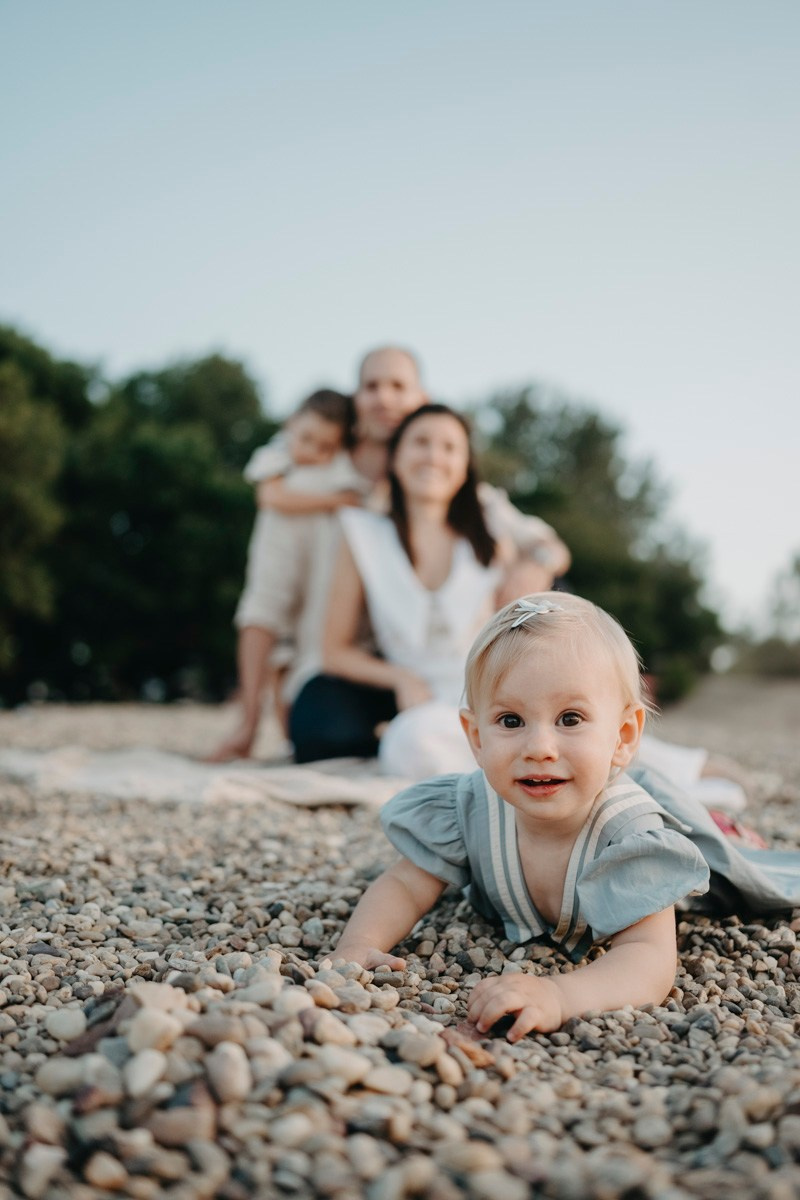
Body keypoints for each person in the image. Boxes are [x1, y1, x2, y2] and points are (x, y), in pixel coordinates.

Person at [332, 593, 800, 1040]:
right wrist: (357, 944)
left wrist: (560, 994)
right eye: (511, 721)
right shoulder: (468, 808)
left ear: (623, 734)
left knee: (725, 855)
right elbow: (405, 884)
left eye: (570, 719)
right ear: (475, 737)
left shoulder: (631, 837)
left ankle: (723, 826)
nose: (539, 749)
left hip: (678, 848)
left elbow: (648, 957)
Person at [319, 404, 515, 776]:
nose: (433, 456)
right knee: (412, 743)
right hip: (422, 707)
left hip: (491, 694)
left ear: (465, 467)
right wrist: (400, 678)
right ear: (395, 458)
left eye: (449, 447)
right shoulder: (362, 533)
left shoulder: (491, 534)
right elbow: (334, 652)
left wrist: (538, 563)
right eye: (420, 442)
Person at [207, 388, 368, 762]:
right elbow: (272, 498)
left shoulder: (342, 465)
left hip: (318, 570)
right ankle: (246, 723)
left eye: (324, 445)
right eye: (306, 438)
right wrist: (333, 500)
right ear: (291, 423)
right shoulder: (276, 453)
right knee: (261, 621)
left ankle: (288, 738)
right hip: (276, 559)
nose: (311, 451)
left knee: (294, 658)